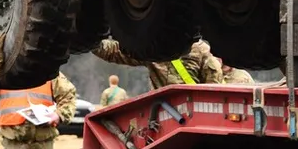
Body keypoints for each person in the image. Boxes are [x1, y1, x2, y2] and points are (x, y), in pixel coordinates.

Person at [92, 37, 224, 90]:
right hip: (191, 112)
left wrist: (88, 40)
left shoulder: (153, 48)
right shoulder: (202, 49)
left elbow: (113, 52)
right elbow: (214, 87)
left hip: (163, 112)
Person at [0, 72, 77, 149]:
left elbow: (68, 96)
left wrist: (59, 115)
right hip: (13, 142)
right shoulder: (5, 71)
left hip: (42, 144)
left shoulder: (50, 70)